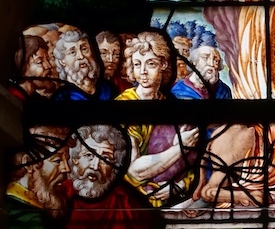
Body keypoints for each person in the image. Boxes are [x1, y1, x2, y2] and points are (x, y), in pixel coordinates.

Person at [115, 31, 199, 206]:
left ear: (163, 64)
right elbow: (134, 171)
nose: (143, 71)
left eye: (150, 63)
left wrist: (180, 186)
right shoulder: (124, 105)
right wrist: (180, 148)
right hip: (131, 199)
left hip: (169, 196)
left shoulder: (171, 105)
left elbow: (193, 162)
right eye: (137, 64)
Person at [66, 124, 155, 229]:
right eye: (89, 155)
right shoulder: (59, 195)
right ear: (75, 158)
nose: (95, 166)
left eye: (105, 158)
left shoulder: (126, 203)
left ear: (115, 166)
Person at [4, 126, 72, 228]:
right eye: (57, 161)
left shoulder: (36, 209)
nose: (67, 169)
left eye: (66, 160)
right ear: (28, 162)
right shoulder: (27, 219)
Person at [52, 29, 116, 100]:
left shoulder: (108, 89)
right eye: (72, 52)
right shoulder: (62, 97)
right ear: (62, 61)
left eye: (84, 49)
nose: (81, 56)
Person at [8, 34, 60, 101]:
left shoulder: (38, 101)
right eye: (39, 62)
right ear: (23, 68)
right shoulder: (12, 98)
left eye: (47, 60)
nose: (48, 66)